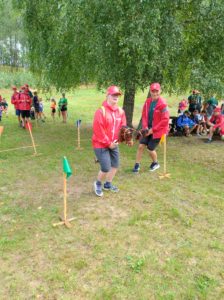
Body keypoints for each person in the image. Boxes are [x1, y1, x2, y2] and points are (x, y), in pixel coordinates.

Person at [92, 85, 127, 197]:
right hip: (100, 144)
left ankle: (108, 184)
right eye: (113, 94)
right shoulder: (101, 111)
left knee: (115, 164)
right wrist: (108, 143)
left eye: (117, 95)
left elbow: (123, 126)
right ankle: (98, 184)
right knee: (106, 167)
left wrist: (126, 137)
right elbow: (99, 130)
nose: (116, 97)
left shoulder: (121, 112)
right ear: (108, 95)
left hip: (114, 143)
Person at [132, 82, 169, 173]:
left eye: (157, 91)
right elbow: (144, 115)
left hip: (158, 131)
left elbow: (165, 120)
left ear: (160, 91)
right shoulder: (148, 102)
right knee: (141, 146)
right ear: (150, 91)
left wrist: (152, 130)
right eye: (153, 91)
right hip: (147, 129)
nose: (155, 93)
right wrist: (145, 127)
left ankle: (155, 163)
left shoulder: (163, 104)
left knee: (150, 148)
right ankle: (137, 165)